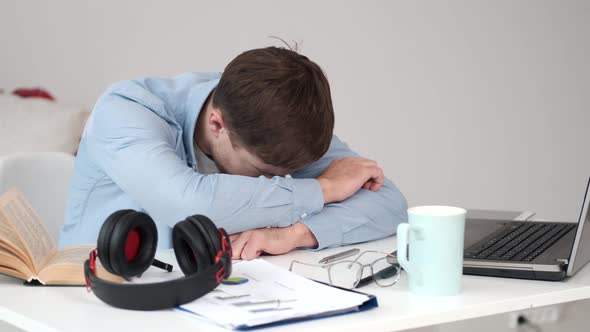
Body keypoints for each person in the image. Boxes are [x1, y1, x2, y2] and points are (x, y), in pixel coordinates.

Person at [58, 46, 408, 260]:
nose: (270, 184)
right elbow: (194, 205)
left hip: (216, 298)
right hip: (92, 302)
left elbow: (390, 202)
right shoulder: (125, 111)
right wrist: (324, 189)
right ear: (216, 124)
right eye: (261, 171)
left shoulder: (277, 118)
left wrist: (292, 234)